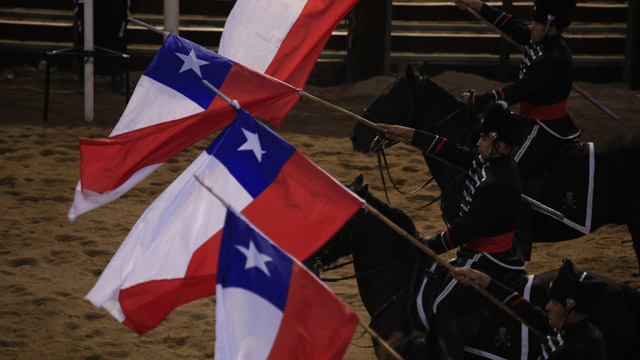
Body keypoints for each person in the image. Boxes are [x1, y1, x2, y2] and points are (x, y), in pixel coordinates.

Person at [379, 101, 527, 360]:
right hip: (474, 251)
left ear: (500, 146)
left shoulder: (498, 182)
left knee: (442, 305)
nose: (478, 142)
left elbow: (467, 229)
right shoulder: (487, 162)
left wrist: (429, 244)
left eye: (483, 138)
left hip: (490, 259)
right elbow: (450, 151)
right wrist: (406, 133)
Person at [453, 0, 580, 185]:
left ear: (550, 30)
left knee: (509, 175)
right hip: (528, 118)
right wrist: (478, 5)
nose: (531, 27)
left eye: (537, 24)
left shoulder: (552, 57)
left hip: (545, 126)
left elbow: (519, 90)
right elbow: (511, 25)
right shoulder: (541, 39)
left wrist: (479, 100)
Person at [453, 258, 607, 359]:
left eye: (553, 303)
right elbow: (528, 312)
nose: (547, 307)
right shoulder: (571, 328)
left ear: (571, 311)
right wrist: (482, 279)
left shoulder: (575, 351)